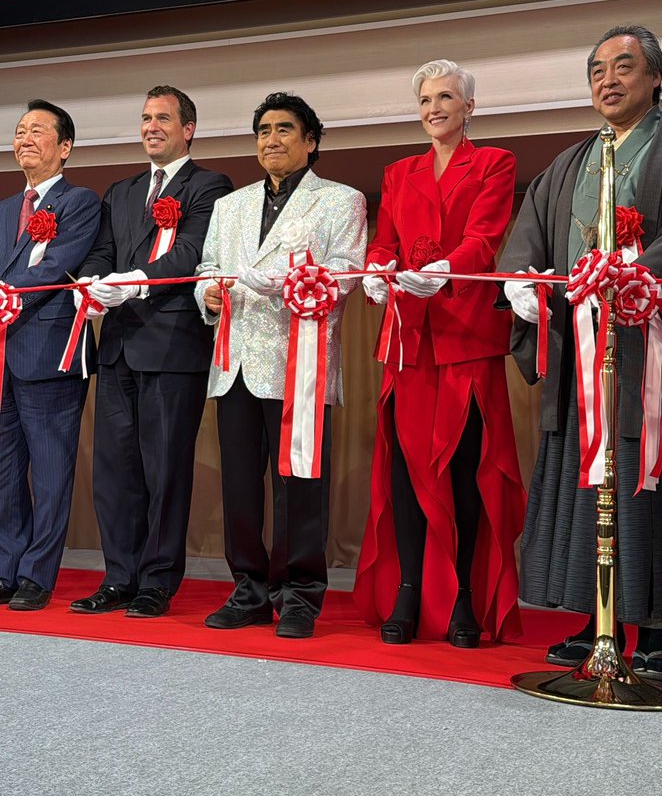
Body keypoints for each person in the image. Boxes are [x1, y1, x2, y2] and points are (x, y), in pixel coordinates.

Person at [500, 24, 662, 679]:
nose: (608, 79)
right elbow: (529, 240)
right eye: (596, 69)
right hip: (580, 345)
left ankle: (656, 626)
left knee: (644, 470)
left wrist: (633, 282)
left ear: (654, 77)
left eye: (623, 66)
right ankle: (588, 616)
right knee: (584, 469)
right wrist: (522, 283)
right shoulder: (569, 164)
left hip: (650, 348)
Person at [353, 59, 525, 646]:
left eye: (446, 97)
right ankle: (405, 595)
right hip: (407, 335)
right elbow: (384, 243)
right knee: (404, 469)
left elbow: (485, 238)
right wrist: (377, 274)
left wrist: (443, 269)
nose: (434, 108)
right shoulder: (399, 172)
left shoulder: (495, 163)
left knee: (465, 468)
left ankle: (464, 600)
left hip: (465, 335)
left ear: (468, 107)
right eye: (426, 99)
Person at [195, 91, 367, 639]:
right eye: (264, 130)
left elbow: (346, 273)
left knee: (300, 484)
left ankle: (299, 595)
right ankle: (248, 589)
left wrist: (297, 282)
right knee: (241, 484)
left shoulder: (342, 200)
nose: (271, 139)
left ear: (310, 142)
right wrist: (209, 295)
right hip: (236, 360)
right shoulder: (231, 205)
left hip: (301, 361)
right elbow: (207, 267)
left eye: (284, 129)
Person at [70, 86, 231, 618]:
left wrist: (136, 281)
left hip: (172, 346)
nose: (151, 126)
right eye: (145, 118)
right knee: (115, 472)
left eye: (163, 118)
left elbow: (191, 252)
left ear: (188, 129)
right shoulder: (121, 189)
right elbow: (102, 251)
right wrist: (92, 283)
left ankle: (157, 582)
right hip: (115, 347)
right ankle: (119, 577)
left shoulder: (210, 187)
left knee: (164, 471)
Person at [0, 99, 101, 610]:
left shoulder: (80, 203)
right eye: (19, 131)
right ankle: (6, 567)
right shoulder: (2, 210)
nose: (24, 139)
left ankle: (39, 574)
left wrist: (3, 293)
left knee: (52, 468)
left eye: (37, 131)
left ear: (65, 147)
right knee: (4, 469)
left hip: (50, 354)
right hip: (2, 359)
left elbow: (56, 266)